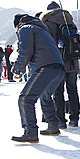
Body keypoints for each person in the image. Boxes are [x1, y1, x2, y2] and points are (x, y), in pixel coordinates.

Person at [11, 14, 65, 143]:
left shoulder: (25, 28)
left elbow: (25, 51)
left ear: (17, 25)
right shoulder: (41, 29)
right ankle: (53, 125)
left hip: (45, 67)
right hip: (59, 68)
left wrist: (17, 68)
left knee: (25, 99)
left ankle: (30, 132)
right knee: (45, 96)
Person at [40, 1, 80, 127]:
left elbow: (47, 44)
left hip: (58, 62)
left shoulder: (48, 23)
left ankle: (61, 120)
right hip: (73, 62)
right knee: (73, 90)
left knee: (58, 91)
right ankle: (74, 119)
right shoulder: (70, 21)